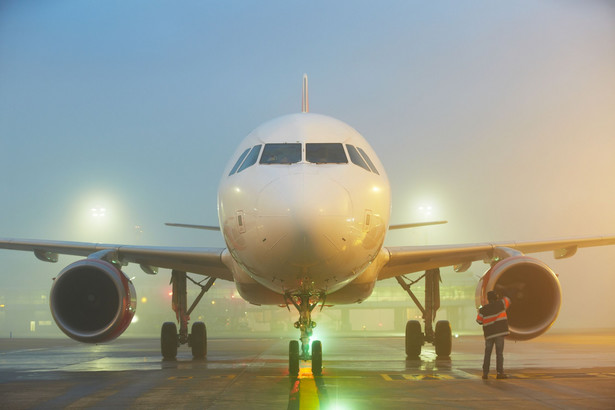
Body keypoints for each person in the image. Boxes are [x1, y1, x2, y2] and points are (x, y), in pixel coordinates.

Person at [476, 290, 511, 379]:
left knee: (487, 354)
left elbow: (479, 321)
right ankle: (500, 373)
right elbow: (508, 299)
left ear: (488, 299)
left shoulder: (483, 309)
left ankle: (485, 373)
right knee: (499, 354)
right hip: (499, 333)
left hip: (489, 335)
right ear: (496, 298)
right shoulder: (501, 304)